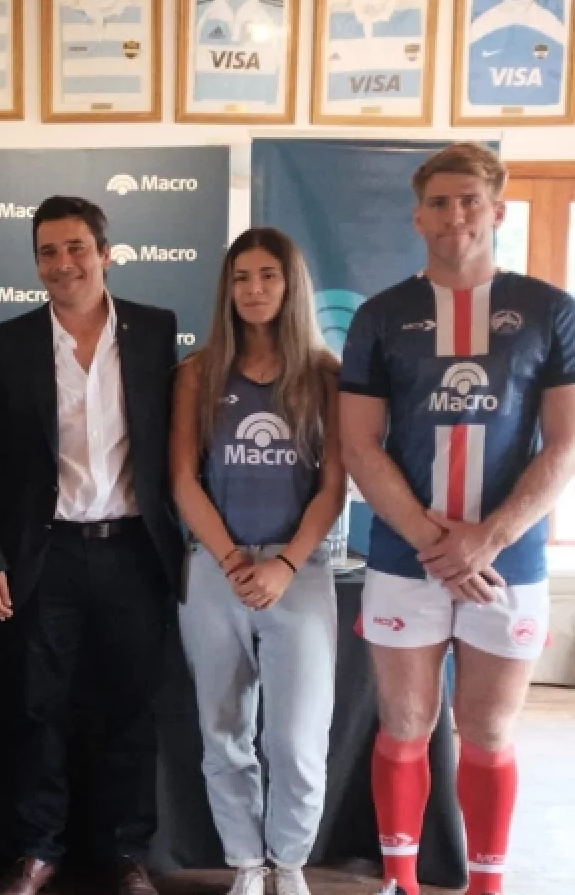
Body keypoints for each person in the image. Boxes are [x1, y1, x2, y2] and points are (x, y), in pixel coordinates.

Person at [340, 143, 575, 895]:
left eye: (470, 200)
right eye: (439, 202)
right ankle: (401, 883)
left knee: (490, 731)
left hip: (510, 561)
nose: (455, 215)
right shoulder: (381, 316)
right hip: (405, 558)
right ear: (418, 217)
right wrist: (434, 542)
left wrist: (487, 540)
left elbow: (567, 442)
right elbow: (358, 444)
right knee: (406, 724)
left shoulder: (550, 310)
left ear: (497, 210)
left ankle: (487, 887)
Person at [0, 196, 182, 895]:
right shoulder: (8, 342)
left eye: (76, 248)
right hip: (46, 553)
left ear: (105, 254)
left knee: (131, 709)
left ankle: (127, 854)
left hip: (134, 551)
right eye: (48, 252)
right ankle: (38, 850)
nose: (63, 264)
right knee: (39, 710)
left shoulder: (154, 331)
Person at [170, 228, 346, 895]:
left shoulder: (326, 376)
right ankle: (246, 863)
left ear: (290, 284)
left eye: (268, 275)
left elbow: (333, 486)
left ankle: (290, 862)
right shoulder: (199, 372)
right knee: (224, 731)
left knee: (297, 739)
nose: (254, 289)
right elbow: (183, 479)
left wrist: (284, 566)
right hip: (216, 571)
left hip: (299, 573)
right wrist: (231, 559)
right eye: (241, 277)